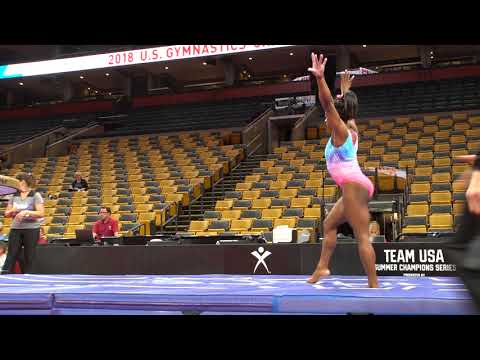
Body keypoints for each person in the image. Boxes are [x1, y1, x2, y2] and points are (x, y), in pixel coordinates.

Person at [306, 53, 379, 288]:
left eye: (330, 117)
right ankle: (322, 267)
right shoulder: (351, 126)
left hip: (354, 185)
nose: (326, 120)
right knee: (329, 224)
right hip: (355, 185)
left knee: (362, 237)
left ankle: (374, 286)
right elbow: (345, 107)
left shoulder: (341, 132)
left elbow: (327, 103)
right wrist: (345, 90)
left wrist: (320, 78)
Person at [1, 172, 45, 274]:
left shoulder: (35, 195)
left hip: (31, 229)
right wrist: (12, 211)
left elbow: (41, 213)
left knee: (29, 254)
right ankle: (5, 275)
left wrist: (26, 212)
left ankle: (30, 276)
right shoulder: (14, 196)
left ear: (24, 182)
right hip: (16, 228)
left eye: (18, 181)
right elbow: (7, 213)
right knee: (12, 253)